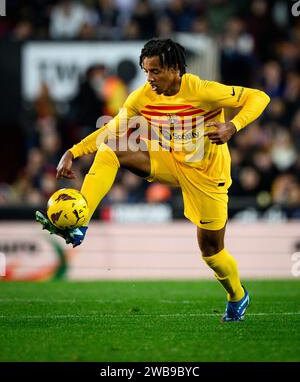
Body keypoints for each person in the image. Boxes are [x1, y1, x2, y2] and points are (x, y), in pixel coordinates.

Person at [36, 38, 270, 322]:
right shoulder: (142, 97)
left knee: (211, 251)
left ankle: (237, 295)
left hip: (208, 175)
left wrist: (232, 126)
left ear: (174, 69)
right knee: (114, 148)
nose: (150, 78)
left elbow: (259, 97)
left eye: (155, 71)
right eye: (146, 71)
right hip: (170, 161)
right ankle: (81, 222)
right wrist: (73, 152)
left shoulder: (202, 90)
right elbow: (110, 129)